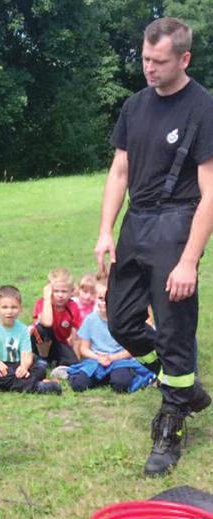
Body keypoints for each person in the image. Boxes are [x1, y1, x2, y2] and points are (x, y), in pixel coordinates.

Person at [94, 17, 212, 476]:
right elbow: (119, 171)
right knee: (122, 319)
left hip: (177, 222)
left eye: (158, 62)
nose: (148, 68)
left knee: (173, 327)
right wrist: (106, 231)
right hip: (135, 222)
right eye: (144, 58)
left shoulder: (202, 108)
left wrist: (188, 260)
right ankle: (182, 387)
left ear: (183, 58)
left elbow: (209, 192)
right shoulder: (135, 106)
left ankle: (170, 427)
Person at [68, 279, 155, 393]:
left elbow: (131, 350)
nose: (104, 303)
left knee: (121, 385)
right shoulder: (90, 319)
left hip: (119, 360)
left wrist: (112, 358)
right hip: (96, 361)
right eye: (100, 299)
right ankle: (103, 376)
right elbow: (84, 348)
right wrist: (98, 358)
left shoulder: (124, 321)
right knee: (78, 385)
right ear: (95, 298)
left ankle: (112, 376)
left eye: (107, 300)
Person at [0, 286, 60, 395]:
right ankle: (38, 386)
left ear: (20, 308)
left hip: (16, 364)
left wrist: (24, 367)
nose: (9, 311)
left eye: (14, 307)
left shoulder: (23, 329)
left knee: (40, 367)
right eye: (4, 307)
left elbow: (26, 355)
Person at [31, 268, 80, 368]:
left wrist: (76, 356)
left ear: (71, 292)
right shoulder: (42, 303)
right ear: (49, 290)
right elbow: (47, 323)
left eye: (64, 291)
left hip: (59, 343)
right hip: (40, 343)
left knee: (73, 363)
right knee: (42, 328)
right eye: (56, 291)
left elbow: (76, 335)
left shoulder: (72, 306)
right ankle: (42, 359)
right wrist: (47, 299)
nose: (60, 295)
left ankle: (57, 362)